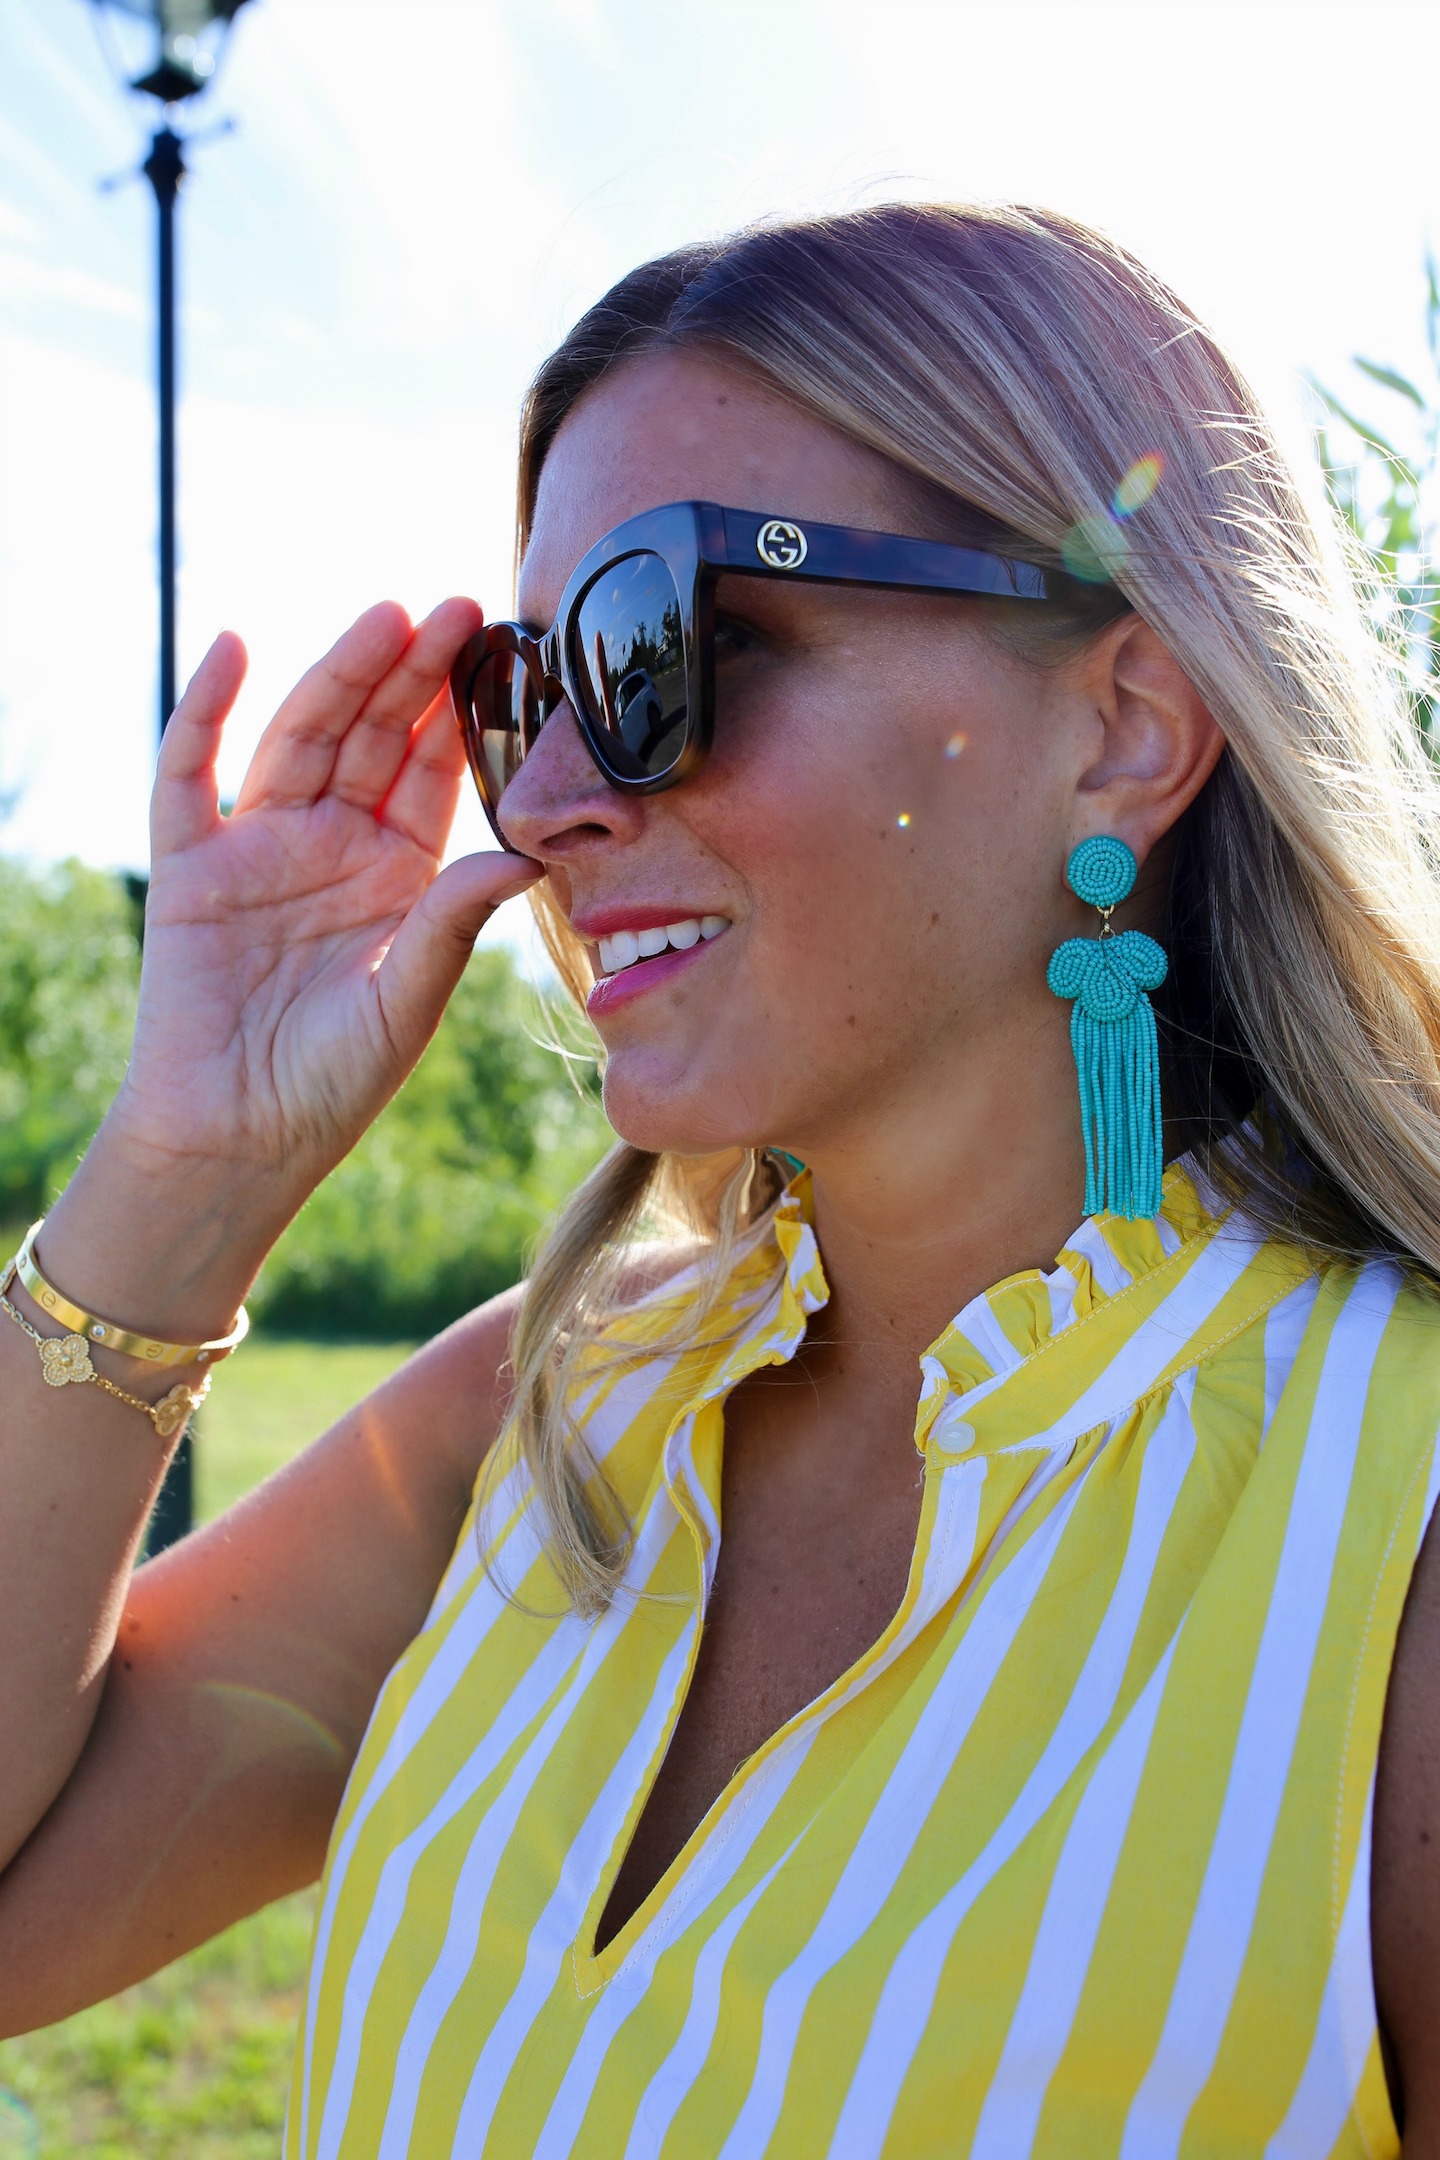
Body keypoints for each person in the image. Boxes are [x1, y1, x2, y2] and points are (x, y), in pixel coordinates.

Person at [0, 200, 1438, 2159]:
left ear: (1122, 728)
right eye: (526, 686)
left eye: (663, 645)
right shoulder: (544, 1417)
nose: (544, 802)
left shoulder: (1392, 1534)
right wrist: (191, 1169)